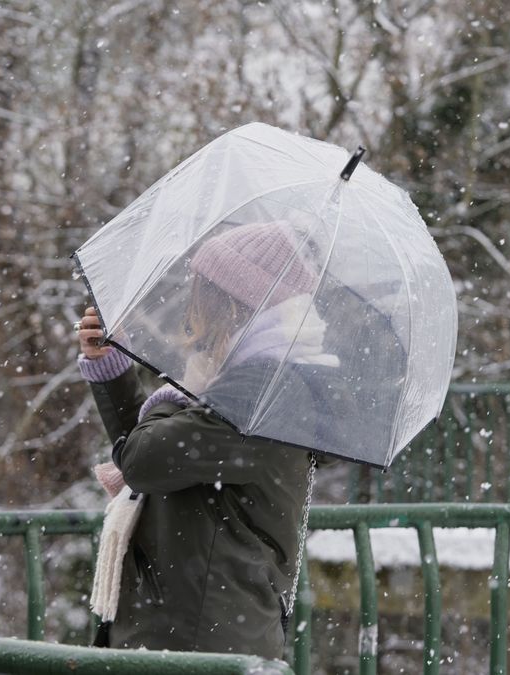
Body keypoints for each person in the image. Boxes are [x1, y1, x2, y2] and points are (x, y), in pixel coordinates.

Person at [76, 221, 336, 659]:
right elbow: (159, 460)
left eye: (201, 292)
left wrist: (171, 398)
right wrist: (113, 372)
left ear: (231, 305)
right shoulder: (252, 384)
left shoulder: (260, 395)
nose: (191, 310)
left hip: (196, 642)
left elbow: (144, 461)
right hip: (198, 632)